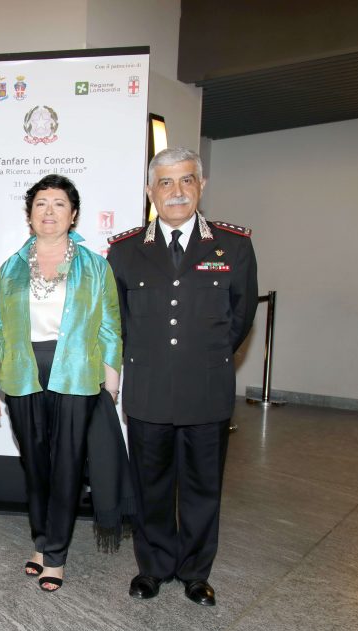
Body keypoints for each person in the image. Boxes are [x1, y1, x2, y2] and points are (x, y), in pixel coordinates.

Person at [107, 147, 258, 607]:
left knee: (202, 486)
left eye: (186, 181)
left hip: (207, 388)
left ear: (201, 185)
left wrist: (205, 357)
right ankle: (152, 569)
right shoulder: (125, 249)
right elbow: (118, 319)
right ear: (150, 191)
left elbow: (241, 315)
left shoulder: (233, 245)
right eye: (166, 183)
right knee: (149, 486)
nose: (176, 192)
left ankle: (195, 573)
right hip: (149, 388)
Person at [0, 174, 128, 592]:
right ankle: (40, 540)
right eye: (41, 203)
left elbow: (111, 330)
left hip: (77, 375)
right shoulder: (11, 267)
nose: (49, 211)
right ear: (29, 214)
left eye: (59, 203)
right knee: (35, 463)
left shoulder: (96, 266)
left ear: (74, 214)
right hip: (23, 373)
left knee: (67, 464)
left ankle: (56, 554)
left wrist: (111, 389)